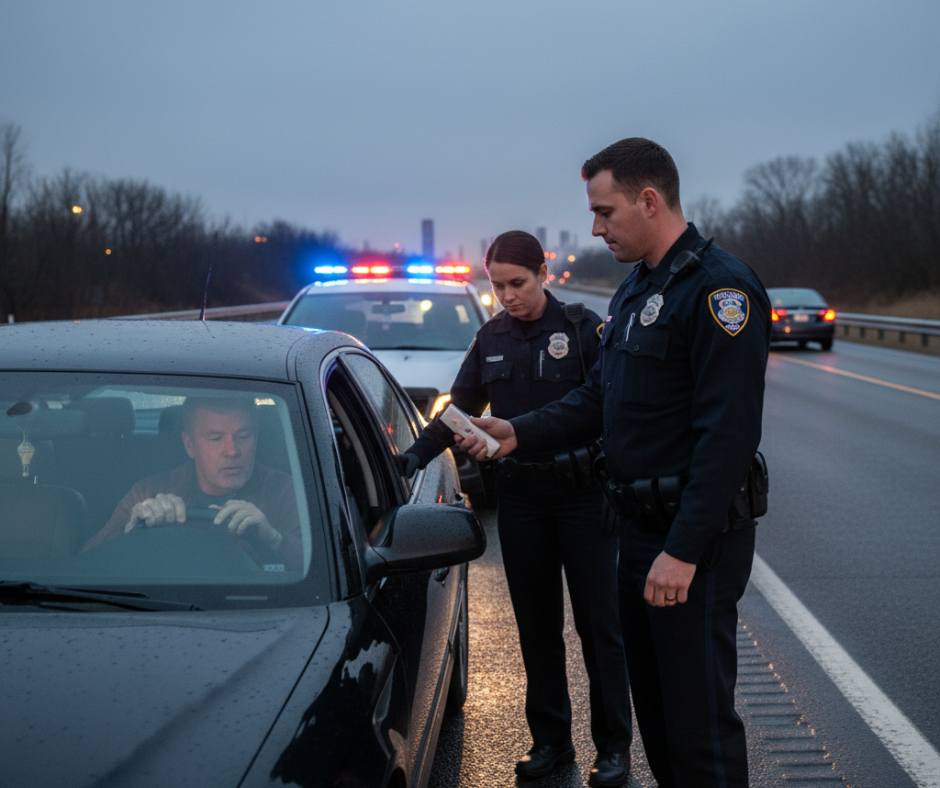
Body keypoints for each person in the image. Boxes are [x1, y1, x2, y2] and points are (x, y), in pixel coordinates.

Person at [459, 139, 771, 788]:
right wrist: (517, 431)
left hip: (692, 543)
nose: (596, 228)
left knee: (699, 731)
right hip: (634, 532)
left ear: (649, 200)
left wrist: (682, 550)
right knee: (657, 723)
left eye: (605, 212)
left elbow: (727, 436)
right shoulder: (637, 293)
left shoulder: (719, 290)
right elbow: (602, 398)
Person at [398, 231, 633, 787]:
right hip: (523, 501)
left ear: (543, 272)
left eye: (517, 283)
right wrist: (408, 459)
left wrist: (615, 488)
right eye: (497, 285)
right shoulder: (490, 337)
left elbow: (612, 410)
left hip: (583, 497)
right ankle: (550, 742)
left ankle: (613, 747)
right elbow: (457, 412)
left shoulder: (582, 330)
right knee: (537, 628)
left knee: (601, 630)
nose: (507, 295)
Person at [82, 397, 302, 571]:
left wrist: (274, 538)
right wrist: (131, 534)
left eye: (243, 436)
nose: (232, 451)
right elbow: (86, 563)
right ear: (190, 445)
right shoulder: (149, 493)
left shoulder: (285, 490)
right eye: (216, 438)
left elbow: (319, 570)